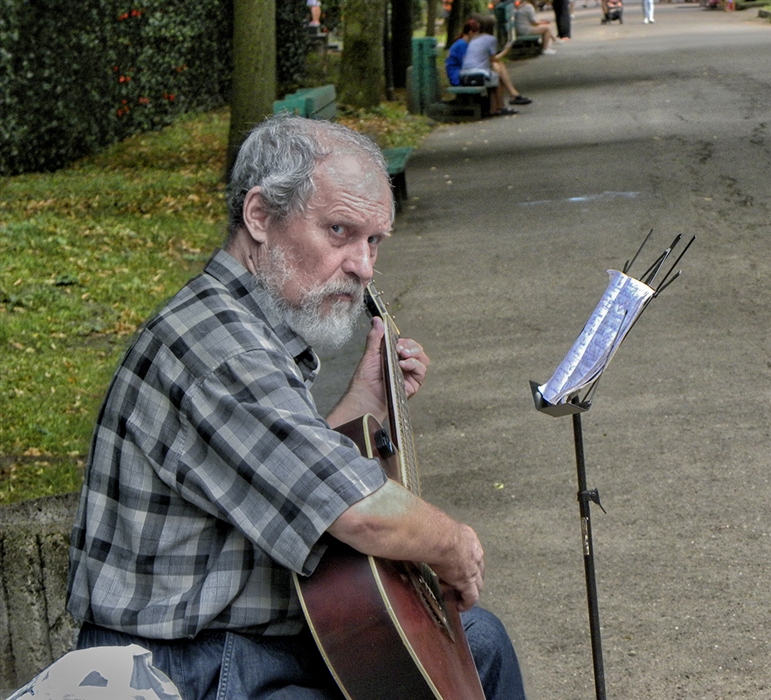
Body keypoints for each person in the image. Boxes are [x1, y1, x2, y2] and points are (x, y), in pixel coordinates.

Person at [66, 114, 528, 700]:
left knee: (478, 642)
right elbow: (356, 510)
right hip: (179, 668)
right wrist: (454, 545)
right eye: (339, 232)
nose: (363, 265)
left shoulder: (246, 323)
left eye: (374, 240)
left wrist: (368, 399)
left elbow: (282, 471)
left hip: (231, 644)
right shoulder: (221, 349)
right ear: (260, 217)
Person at [460, 15, 533, 116]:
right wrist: (506, 50)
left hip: (464, 74)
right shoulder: (490, 39)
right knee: (498, 75)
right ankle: (503, 105)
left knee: (497, 68)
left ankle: (497, 107)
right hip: (476, 74)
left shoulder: (475, 39)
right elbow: (493, 59)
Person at [445, 17, 482, 86]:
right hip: (458, 78)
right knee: (491, 79)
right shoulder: (461, 45)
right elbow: (466, 64)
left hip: (463, 75)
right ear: (470, 33)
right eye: (477, 34)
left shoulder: (464, 44)